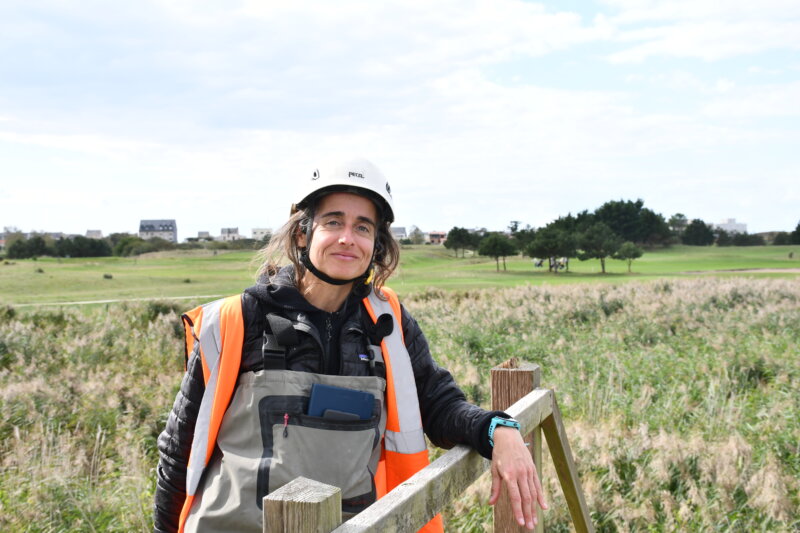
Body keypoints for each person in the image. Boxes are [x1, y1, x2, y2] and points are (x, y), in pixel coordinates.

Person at [153, 158, 547, 532]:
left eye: (362, 227)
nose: (347, 238)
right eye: (333, 222)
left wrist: (498, 429)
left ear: (376, 244)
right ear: (303, 233)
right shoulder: (237, 321)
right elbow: (178, 452)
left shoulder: (387, 323)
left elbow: (439, 404)